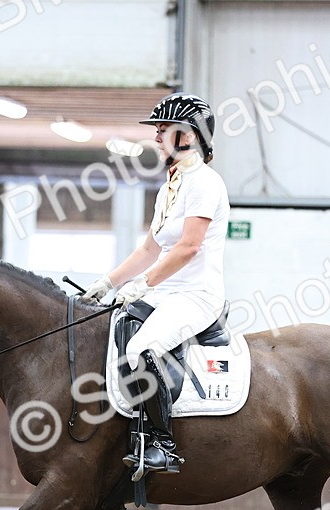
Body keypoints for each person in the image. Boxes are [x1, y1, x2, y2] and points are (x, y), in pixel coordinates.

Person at [80, 93, 230, 475]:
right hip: (163, 292)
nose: (158, 137)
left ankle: (162, 445)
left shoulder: (205, 184)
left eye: (165, 130)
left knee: (141, 348)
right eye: (158, 131)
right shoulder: (170, 187)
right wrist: (108, 283)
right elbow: (150, 248)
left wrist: (143, 284)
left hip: (196, 296)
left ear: (190, 135)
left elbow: (188, 247)